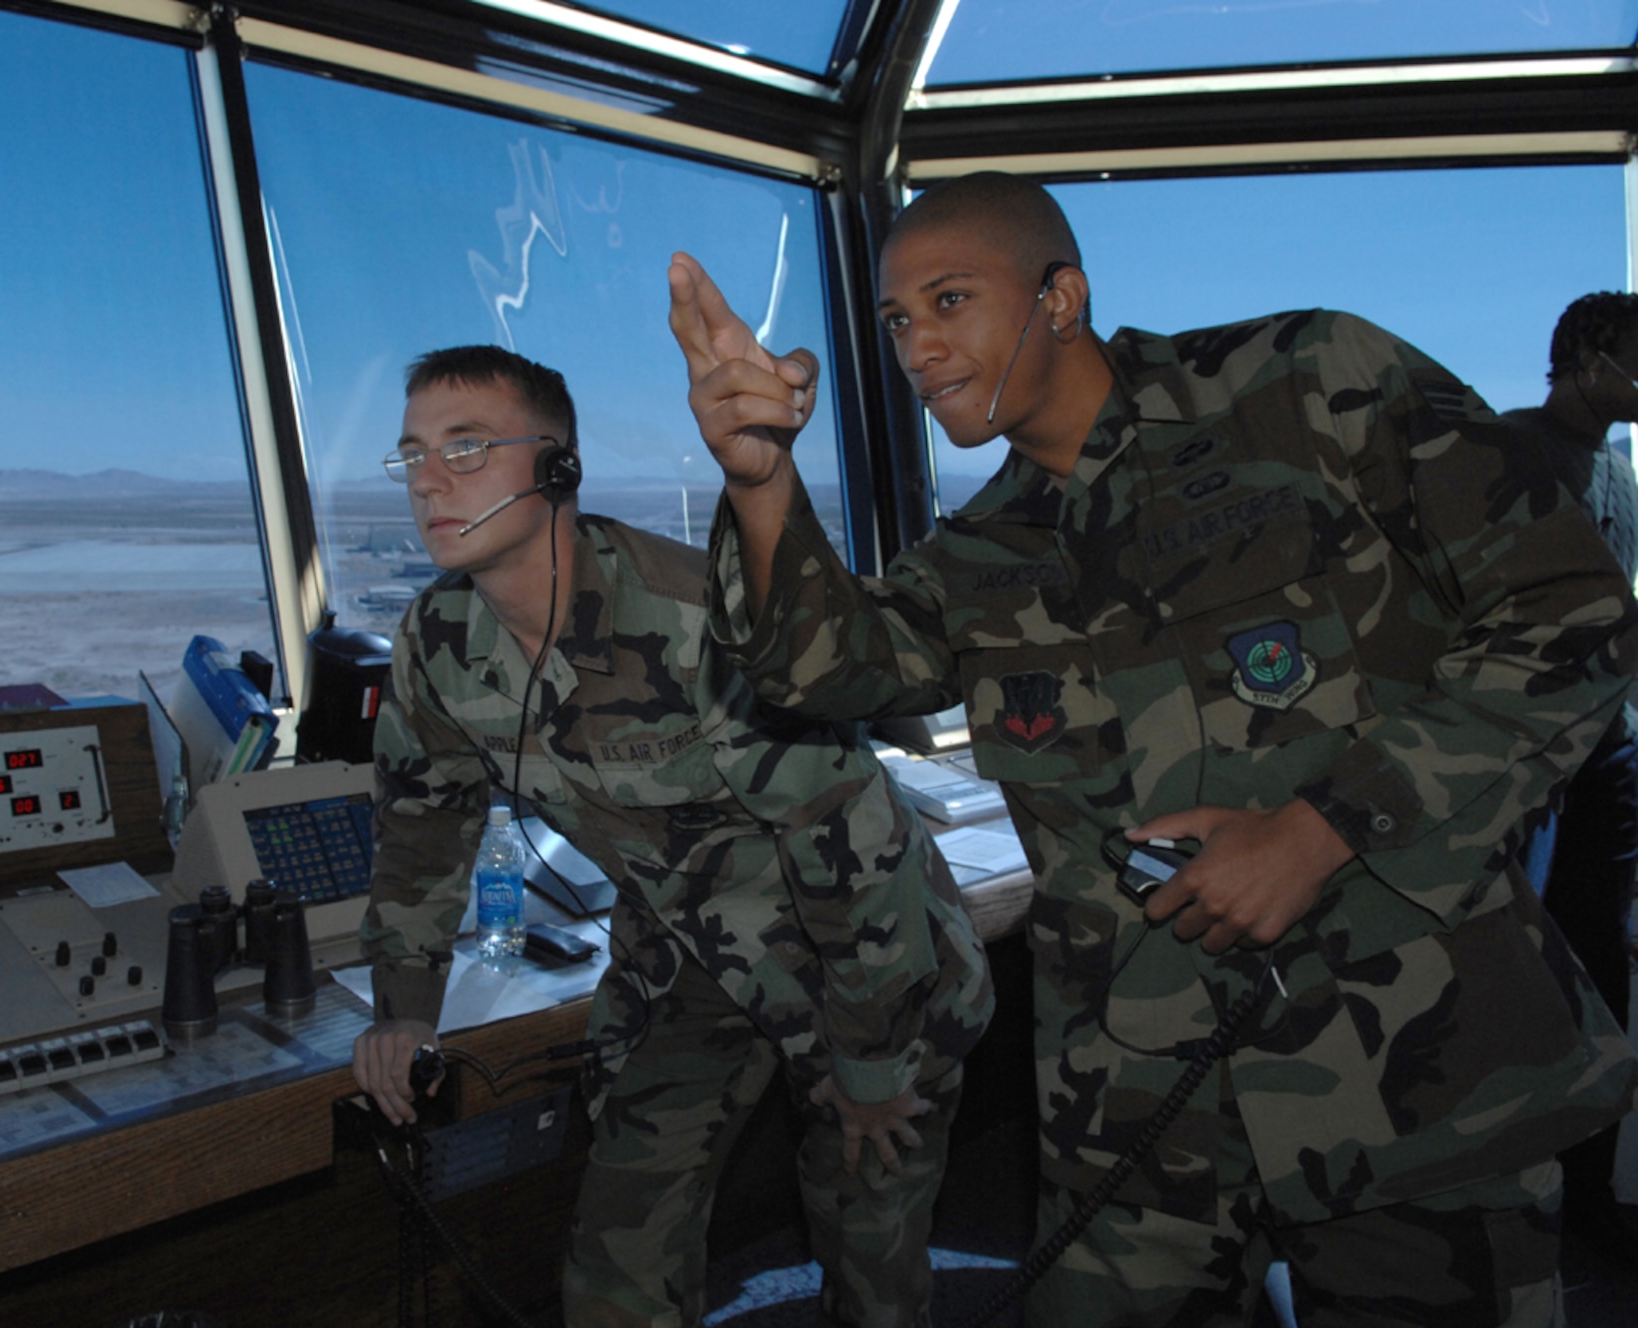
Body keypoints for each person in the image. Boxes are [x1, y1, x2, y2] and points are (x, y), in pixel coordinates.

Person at [669, 172, 1638, 1326]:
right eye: (893, 321)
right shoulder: (977, 554)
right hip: (1136, 1096)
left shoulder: (1308, 385)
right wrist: (761, 479)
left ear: (1060, 295)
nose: (917, 348)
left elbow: (1567, 612)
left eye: (949, 300)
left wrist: (1319, 827)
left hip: (1409, 1062)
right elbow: (821, 666)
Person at [349, 344, 994, 1328]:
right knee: (618, 1248)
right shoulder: (436, 641)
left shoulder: (700, 619)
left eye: (467, 446)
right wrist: (403, 1005)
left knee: (868, 1250)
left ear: (556, 466)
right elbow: (421, 818)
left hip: (858, 962)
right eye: (412, 454)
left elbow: (848, 847)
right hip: (686, 954)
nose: (428, 479)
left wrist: (869, 1065)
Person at [1502, 290, 1638, 1244]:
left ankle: (1586, 1202)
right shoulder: (1509, 453)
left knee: (1599, 977)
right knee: (1525, 973)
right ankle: (1516, 1203)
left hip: (1612, 749)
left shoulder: (1619, 475)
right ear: (1588, 358)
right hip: (1535, 756)